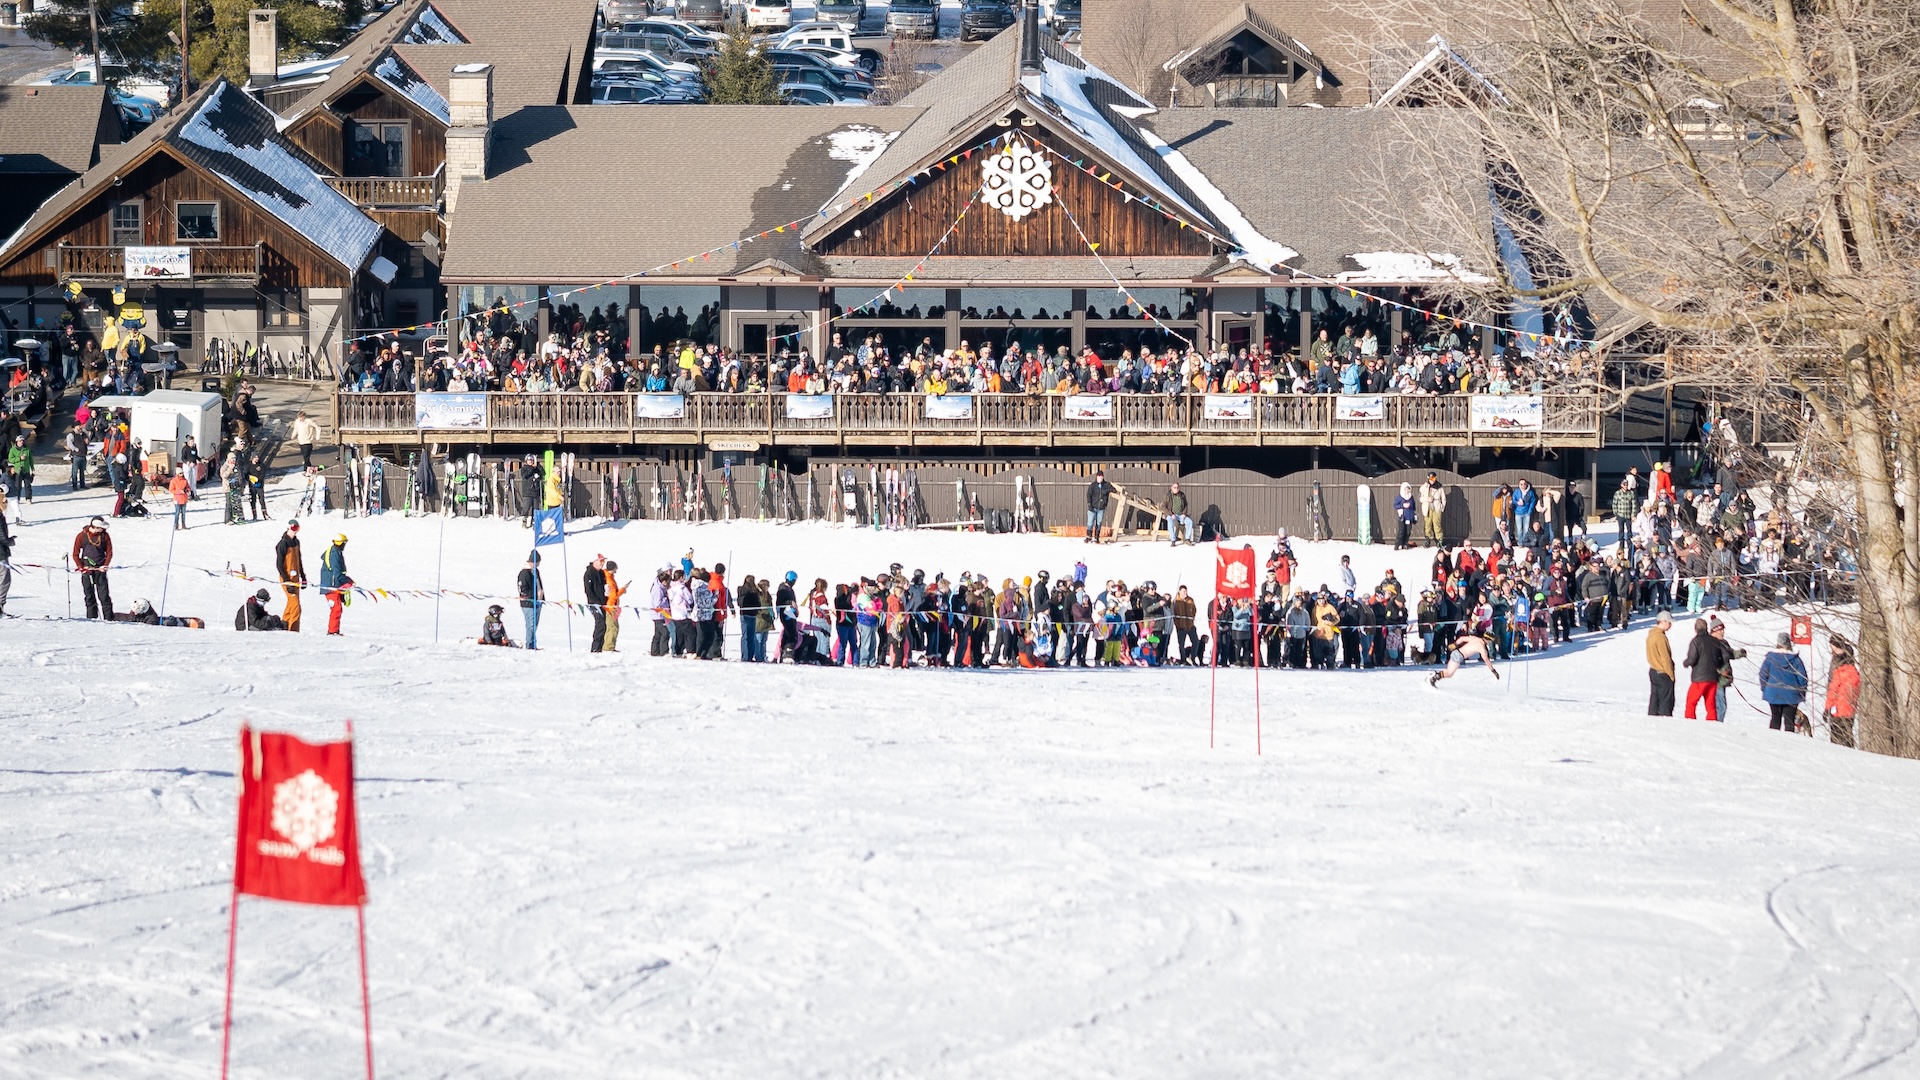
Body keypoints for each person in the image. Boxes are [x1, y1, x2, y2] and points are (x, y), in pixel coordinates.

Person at [1756, 632, 1809, 732]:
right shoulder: (1795, 659)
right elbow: (1802, 678)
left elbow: (1763, 674)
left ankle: (1772, 742)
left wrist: (1765, 689)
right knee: (1789, 722)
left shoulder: (1770, 658)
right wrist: (1802, 692)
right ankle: (1788, 745)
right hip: (1792, 695)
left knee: (1775, 718)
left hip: (1773, 693)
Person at [1681, 617, 1729, 721]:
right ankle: (1712, 722)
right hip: (1713, 678)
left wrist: (1686, 663)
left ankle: (1690, 720)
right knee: (1710, 703)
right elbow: (1721, 659)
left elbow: (1692, 659)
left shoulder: (1696, 641)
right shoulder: (1715, 641)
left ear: (1696, 629)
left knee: (1691, 701)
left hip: (1700, 677)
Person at [71, 517, 113, 619]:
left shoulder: (105, 536)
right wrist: (80, 567)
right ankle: (91, 620)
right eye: (100, 528)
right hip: (86, 571)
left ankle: (109, 619)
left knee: (104, 597)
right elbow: (75, 554)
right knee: (89, 597)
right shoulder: (81, 536)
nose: (103, 530)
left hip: (100, 570)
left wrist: (105, 565)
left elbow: (109, 552)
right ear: (95, 527)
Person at [1824, 636, 1860, 747]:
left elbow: (1833, 690)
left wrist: (1827, 708)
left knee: (1836, 737)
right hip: (1850, 709)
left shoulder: (1840, 672)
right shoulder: (1855, 673)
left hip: (1838, 709)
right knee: (1847, 736)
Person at [1429, 630, 1500, 685]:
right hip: (1459, 656)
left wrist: (1455, 644)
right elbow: (1487, 661)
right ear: (1488, 640)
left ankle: (1435, 676)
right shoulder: (1482, 648)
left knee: (1448, 671)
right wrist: (1493, 671)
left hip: (1456, 652)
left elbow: (1462, 638)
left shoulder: (1475, 638)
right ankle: (1433, 678)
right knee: (1449, 673)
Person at [275, 521, 305, 630]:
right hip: (286, 578)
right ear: (288, 528)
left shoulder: (296, 542)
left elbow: (299, 561)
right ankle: (293, 630)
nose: (295, 530)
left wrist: (303, 576)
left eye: (297, 528)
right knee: (296, 605)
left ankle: (284, 625)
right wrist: (286, 581)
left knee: (291, 604)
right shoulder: (283, 544)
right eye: (293, 528)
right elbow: (279, 565)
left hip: (295, 578)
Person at [319, 534, 351, 635]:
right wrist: (347, 581)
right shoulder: (334, 554)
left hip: (335, 585)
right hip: (331, 586)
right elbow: (337, 573)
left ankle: (334, 630)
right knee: (336, 608)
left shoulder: (336, 552)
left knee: (337, 608)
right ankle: (332, 631)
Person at [1646, 610, 1676, 714]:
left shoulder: (1651, 635)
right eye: (1669, 622)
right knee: (1666, 703)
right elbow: (1665, 658)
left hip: (1653, 670)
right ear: (1662, 622)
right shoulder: (1661, 638)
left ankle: (1652, 721)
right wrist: (1671, 675)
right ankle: (1665, 724)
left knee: (1655, 700)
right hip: (1663, 673)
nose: (1670, 625)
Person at [518, 551, 544, 649]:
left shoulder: (536, 571)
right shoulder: (524, 573)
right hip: (528, 603)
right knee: (531, 626)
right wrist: (534, 595)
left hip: (538, 602)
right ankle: (530, 646)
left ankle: (533, 644)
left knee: (535, 626)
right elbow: (523, 590)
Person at [584, 554, 609, 653]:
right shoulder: (589, 573)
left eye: (603, 562)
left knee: (603, 625)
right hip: (594, 603)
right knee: (600, 624)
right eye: (600, 561)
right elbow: (588, 591)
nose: (602, 564)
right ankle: (595, 647)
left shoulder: (601, 573)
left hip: (602, 603)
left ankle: (599, 647)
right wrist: (595, 602)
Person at [602, 559, 626, 652]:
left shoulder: (610, 577)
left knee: (611, 626)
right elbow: (613, 595)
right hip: (611, 606)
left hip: (611, 606)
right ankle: (609, 647)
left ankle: (608, 646)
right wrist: (623, 589)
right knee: (613, 627)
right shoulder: (609, 580)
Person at [1085, 469, 1115, 544]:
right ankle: (1088, 537)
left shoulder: (1106, 485)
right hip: (1092, 507)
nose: (1100, 478)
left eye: (1101, 477)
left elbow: (1113, 490)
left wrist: (1106, 491)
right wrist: (1089, 504)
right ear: (1096, 477)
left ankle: (1096, 537)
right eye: (1099, 477)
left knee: (1099, 523)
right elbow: (1088, 495)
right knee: (1090, 523)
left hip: (1101, 508)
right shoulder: (1093, 485)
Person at [1419, 471, 1447, 546]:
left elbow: (1443, 499)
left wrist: (1442, 508)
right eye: (1431, 478)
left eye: (1434, 478)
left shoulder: (1439, 487)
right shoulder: (1424, 487)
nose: (1432, 480)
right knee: (1427, 524)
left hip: (1437, 507)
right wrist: (1427, 499)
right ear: (1428, 478)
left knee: (1437, 524)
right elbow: (1421, 499)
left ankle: (1439, 540)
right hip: (1427, 508)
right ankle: (1427, 539)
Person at [7, 434, 33, 506]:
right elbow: (10, 459)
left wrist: (32, 468)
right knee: (18, 486)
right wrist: (19, 458)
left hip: (26, 469)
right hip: (17, 470)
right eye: (19, 441)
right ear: (16, 442)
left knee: (28, 485)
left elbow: (30, 459)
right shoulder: (13, 450)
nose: (21, 442)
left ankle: (28, 498)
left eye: (22, 441)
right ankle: (17, 498)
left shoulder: (27, 449)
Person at [1393, 482, 1417, 549]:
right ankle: (1397, 544)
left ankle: (1405, 543)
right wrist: (1402, 506)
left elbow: (1414, 506)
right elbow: (1395, 505)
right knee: (1401, 531)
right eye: (1405, 489)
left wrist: (1413, 515)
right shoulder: (1400, 497)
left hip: (1409, 517)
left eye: (1408, 489)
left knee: (1408, 532)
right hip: (1402, 517)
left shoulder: (1411, 497)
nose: (1407, 490)